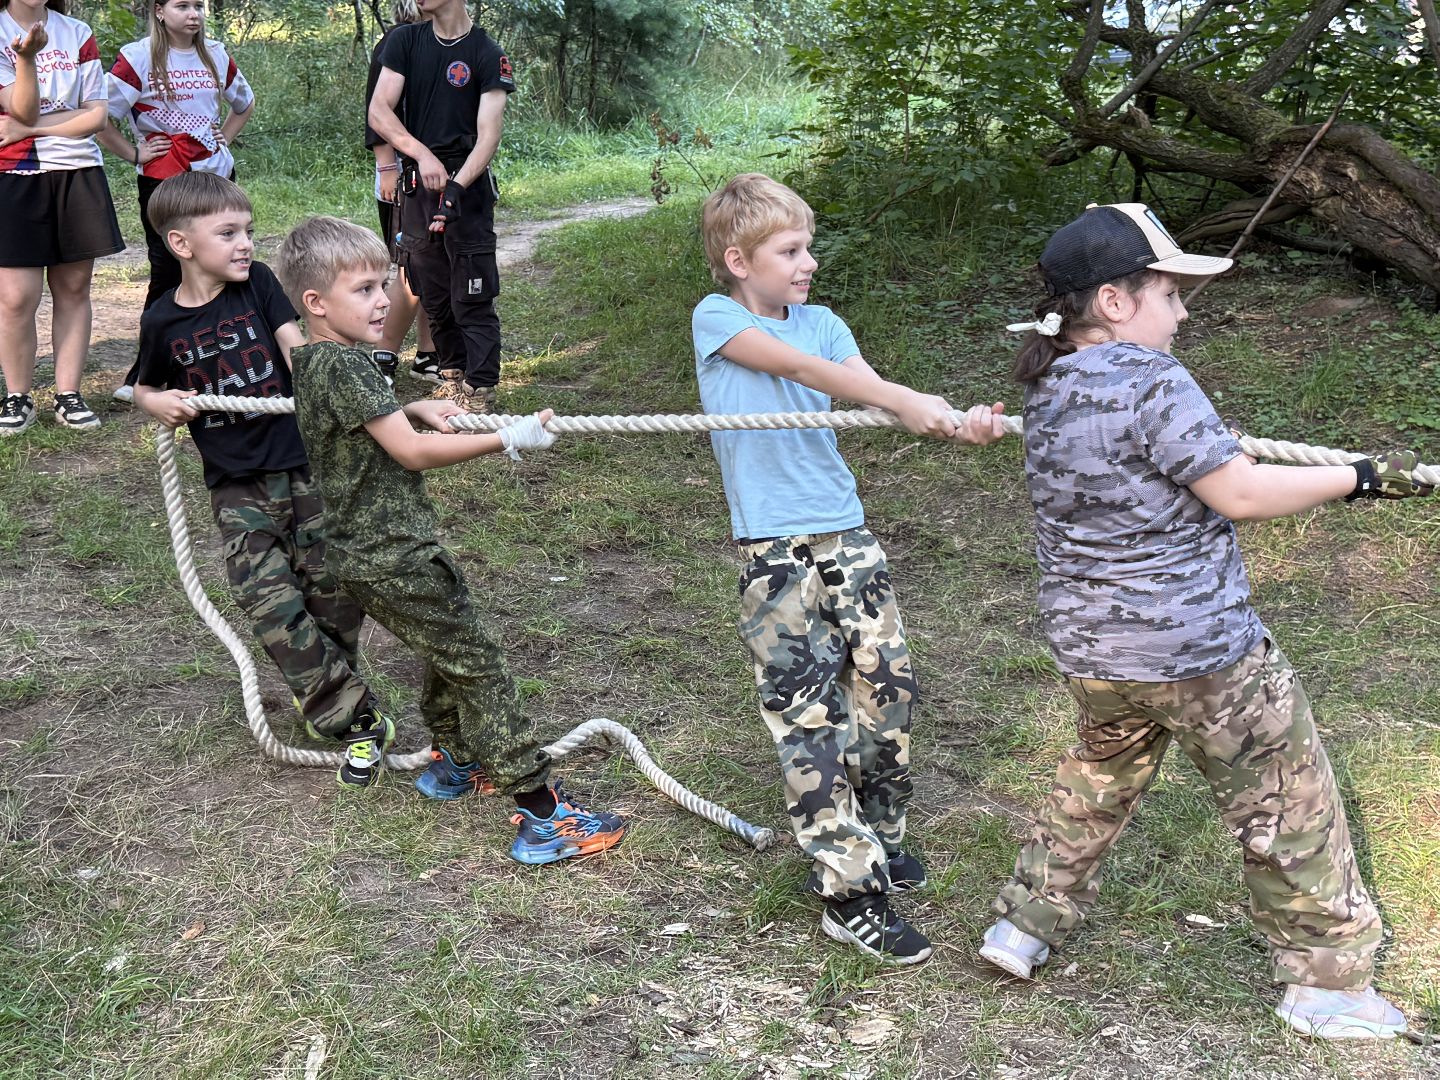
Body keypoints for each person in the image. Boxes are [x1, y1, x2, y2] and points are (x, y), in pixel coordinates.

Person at [979, 202, 1430, 1039]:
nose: (1183, 314)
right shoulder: (1154, 379)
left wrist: (1230, 454)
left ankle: (1023, 925)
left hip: (1093, 653)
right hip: (1198, 657)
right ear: (1116, 302)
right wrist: (1361, 477)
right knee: (1288, 799)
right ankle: (1327, 985)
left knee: (1096, 782)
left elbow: (1178, 471)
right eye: (1171, 295)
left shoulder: (1044, 386)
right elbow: (1241, 494)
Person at [691, 173, 1008, 964]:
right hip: (772, 549)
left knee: (888, 687)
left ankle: (880, 834)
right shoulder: (719, 317)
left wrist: (947, 421)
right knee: (807, 713)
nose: (809, 262)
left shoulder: (824, 321)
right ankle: (849, 890)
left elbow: (862, 389)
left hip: (847, 535)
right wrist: (905, 397)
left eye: (808, 246)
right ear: (738, 259)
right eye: (789, 250)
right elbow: (803, 375)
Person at [276, 215, 626, 865]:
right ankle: (542, 814)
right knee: (478, 663)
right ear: (316, 303)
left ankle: (454, 760)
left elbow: (357, 430)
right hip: (395, 555)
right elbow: (407, 454)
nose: (383, 300)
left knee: (446, 649)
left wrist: (406, 407)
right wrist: (507, 437)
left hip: (363, 555)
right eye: (363, 290)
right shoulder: (347, 368)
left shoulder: (318, 360)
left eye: (383, 284)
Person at [132, 173, 390, 788]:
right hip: (236, 483)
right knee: (263, 592)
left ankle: (332, 692)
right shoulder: (162, 321)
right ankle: (355, 717)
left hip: (305, 464)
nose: (246, 243)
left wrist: (360, 395)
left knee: (331, 590)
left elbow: (297, 350)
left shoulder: (263, 288)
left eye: (248, 229)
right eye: (228, 233)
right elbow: (142, 384)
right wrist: (156, 403)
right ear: (181, 244)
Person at [100, 0, 255, 403]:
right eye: (182, 5)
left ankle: (227, 360)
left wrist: (226, 134)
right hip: (164, 181)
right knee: (169, 271)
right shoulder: (137, 58)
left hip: (216, 177)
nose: (194, 14)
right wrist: (133, 153)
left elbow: (244, 103)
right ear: (159, 11)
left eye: (199, 5)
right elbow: (99, 114)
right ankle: (147, 373)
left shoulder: (216, 54)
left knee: (226, 266)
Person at [367, 0, 514, 412]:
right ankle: (451, 378)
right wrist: (422, 155)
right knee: (431, 289)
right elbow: (379, 112)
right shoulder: (405, 41)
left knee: (472, 289)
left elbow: (488, 137)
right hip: (418, 183)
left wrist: (457, 185)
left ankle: (479, 388)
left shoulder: (487, 53)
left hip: (468, 185)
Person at [0, 0, 123, 436]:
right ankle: (18, 395)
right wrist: (26, 58)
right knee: (16, 296)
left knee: (74, 286)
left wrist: (33, 129)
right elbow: (22, 107)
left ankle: (68, 394)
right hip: (15, 173)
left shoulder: (76, 30)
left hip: (78, 172)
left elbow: (95, 115)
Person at [364, 0, 436, 384]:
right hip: (401, 173)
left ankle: (428, 354)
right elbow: (376, 112)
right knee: (411, 263)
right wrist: (386, 166)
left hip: (439, 172)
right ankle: (384, 354)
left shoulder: (446, 40)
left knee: (435, 263)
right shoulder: (396, 40)